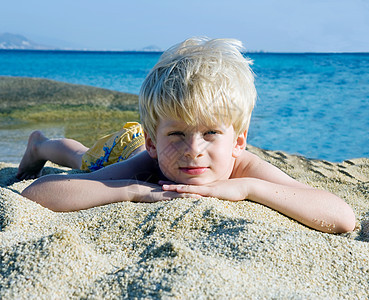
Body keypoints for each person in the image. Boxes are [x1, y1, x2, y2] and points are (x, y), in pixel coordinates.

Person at [17, 37, 355, 233]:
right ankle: (40, 144)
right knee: (84, 159)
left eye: (210, 132)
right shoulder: (145, 161)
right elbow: (38, 194)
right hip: (123, 148)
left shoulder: (245, 168)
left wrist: (250, 188)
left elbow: (342, 216)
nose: (193, 149)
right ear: (154, 141)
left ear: (238, 141)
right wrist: (133, 190)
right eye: (178, 133)